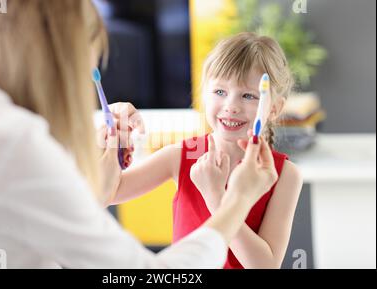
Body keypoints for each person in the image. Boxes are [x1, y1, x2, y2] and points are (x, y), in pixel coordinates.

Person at [0, 0, 278, 268]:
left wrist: (100, 158)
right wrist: (235, 202)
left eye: (247, 95)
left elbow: (68, 207)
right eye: (85, 67)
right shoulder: (12, 142)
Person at [107, 32, 303, 269]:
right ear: (204, 95)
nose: (231, 106)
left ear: (274, 108)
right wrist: (112, 142)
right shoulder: (181, 156)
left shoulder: (285, 175)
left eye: (248, 96)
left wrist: (216, 197)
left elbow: (265, 266)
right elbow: (108, 193)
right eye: (220, 92)